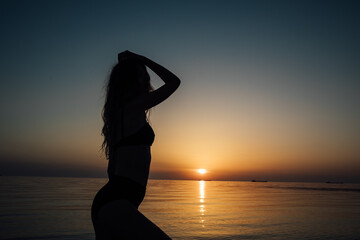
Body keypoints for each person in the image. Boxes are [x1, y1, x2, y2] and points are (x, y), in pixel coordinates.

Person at [91, 50, 180, 239]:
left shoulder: (119, 116)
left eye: (144, 75)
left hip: (113, 201)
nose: (145, 81)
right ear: (129, 81)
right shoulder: (133, 106)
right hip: (117, 202)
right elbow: (174, 82)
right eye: (141, 76)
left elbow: (112, 168)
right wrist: (143, 59)